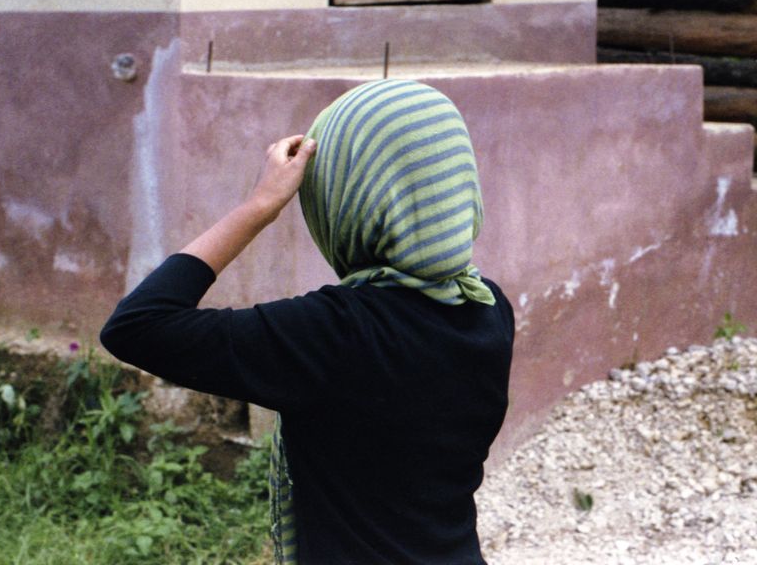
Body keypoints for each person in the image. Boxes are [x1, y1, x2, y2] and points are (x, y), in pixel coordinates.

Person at [100, 78, 515, 565]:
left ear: (349, 198)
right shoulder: (489, 310)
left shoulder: (335, 334)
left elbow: (137, 326)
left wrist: (259, 206)